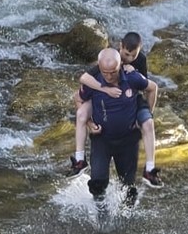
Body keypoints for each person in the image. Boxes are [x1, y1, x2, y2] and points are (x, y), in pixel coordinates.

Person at [69, 32, 164, 187]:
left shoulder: (140, 61)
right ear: (121, 47)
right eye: (127, 54)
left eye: (134, 55)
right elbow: (83, 80)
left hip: (131, 98)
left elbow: (147, 87)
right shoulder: (109, 59)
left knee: (148, 123)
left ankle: (150, 169)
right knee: (81, 114)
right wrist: (105, 90)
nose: (130, 58)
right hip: (101, 97)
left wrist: (146, 112)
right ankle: (80, 159)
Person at [77, 48, 149, 204]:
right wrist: (89, 123)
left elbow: (152, 88)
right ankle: (101, 214)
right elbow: (77, 99)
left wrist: (146, 114)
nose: (109, 76)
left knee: (128, 186)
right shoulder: (93, 81)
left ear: (120, 66)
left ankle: (128, 217)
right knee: (97, 183)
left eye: (113, 72)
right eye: (105, 72)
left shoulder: (132, 77)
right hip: (102, 139)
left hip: (128, 140)